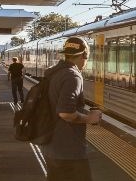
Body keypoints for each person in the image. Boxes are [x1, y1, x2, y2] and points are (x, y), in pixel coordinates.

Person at [42, 37, 102, 181]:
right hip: (68, 150)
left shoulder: (53, 72)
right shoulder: (73, 76)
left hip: (51, 146)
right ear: (84, 55)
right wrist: (90, 118)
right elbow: (65, 113)